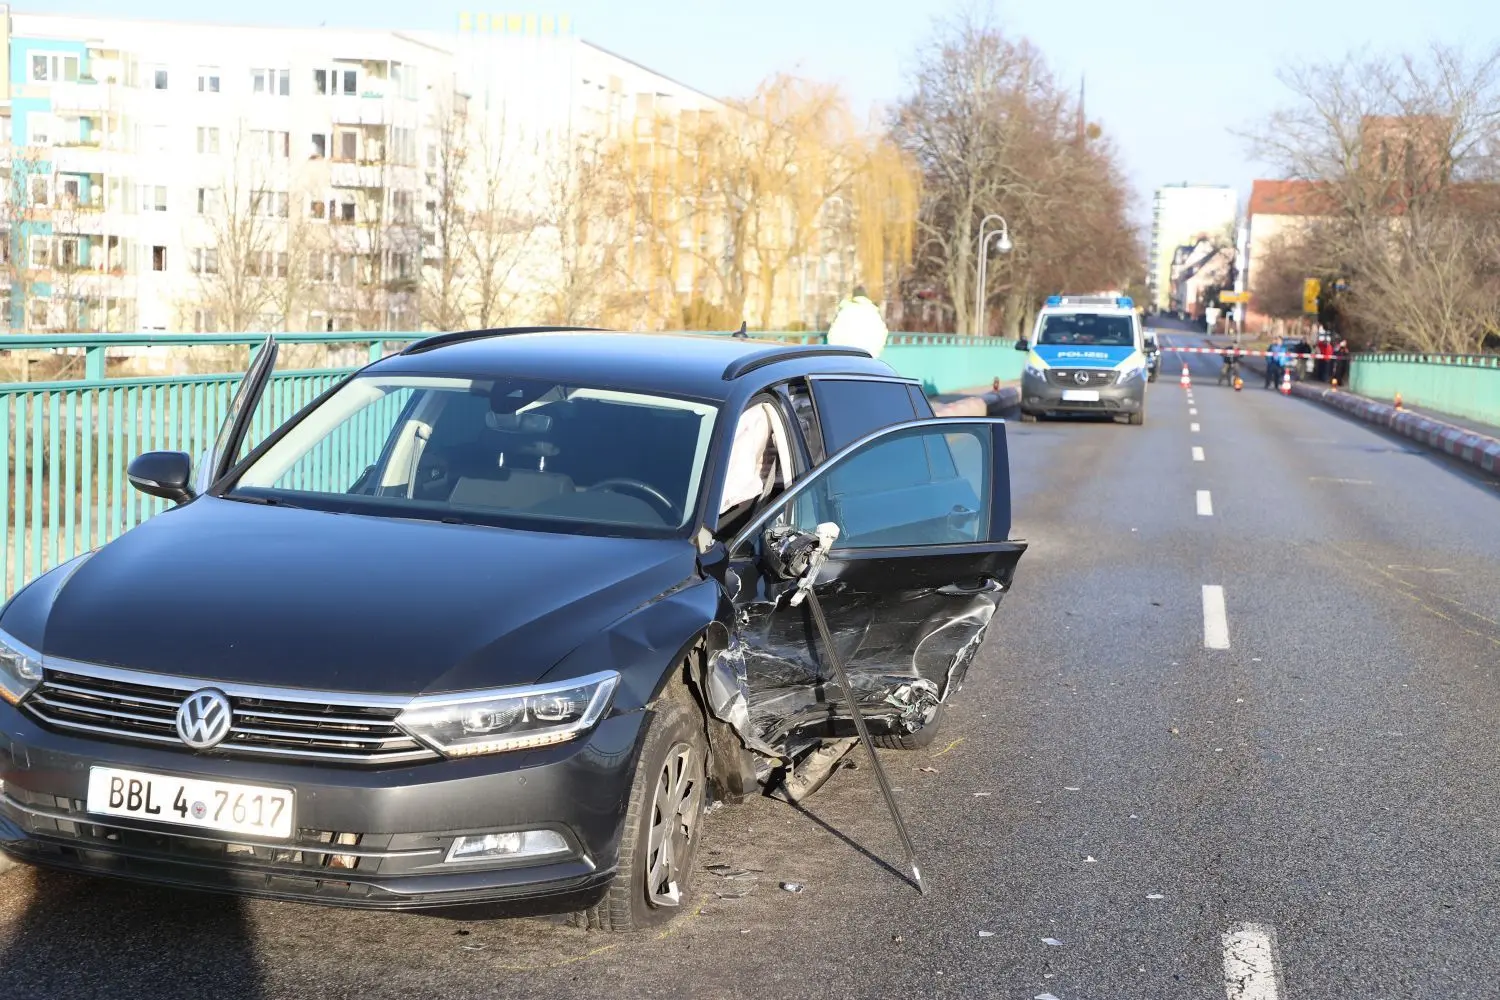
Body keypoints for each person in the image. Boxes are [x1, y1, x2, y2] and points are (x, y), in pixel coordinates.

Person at [825, 284, 890, 358]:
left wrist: (837, 353)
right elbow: (882, 333)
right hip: (868, 356)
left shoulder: (846, 310)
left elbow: (834, 334)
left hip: (847, 355)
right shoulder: (873, 312)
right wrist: (875, 353)